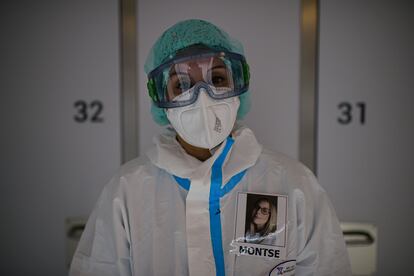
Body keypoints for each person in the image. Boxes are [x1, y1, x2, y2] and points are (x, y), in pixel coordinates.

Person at [69, 19, 351, 276]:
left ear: (240, 85)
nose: (202, 98)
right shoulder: (126, 192)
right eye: (182, 85)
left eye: (217, 79)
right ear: (160, 100)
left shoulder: (293, 184)